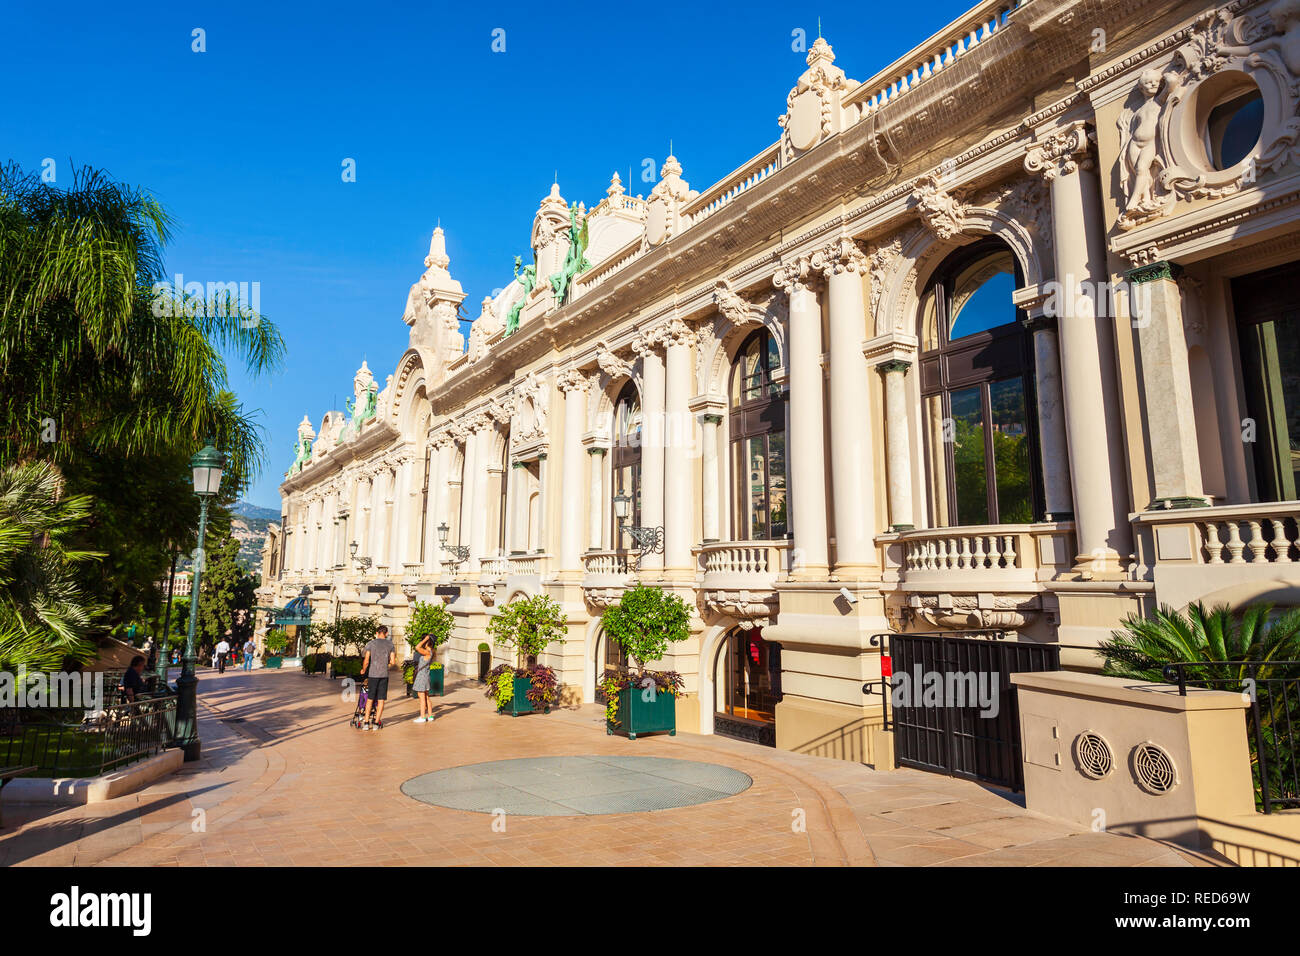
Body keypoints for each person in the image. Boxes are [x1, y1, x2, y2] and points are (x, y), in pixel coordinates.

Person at [359, 625, 396, 731]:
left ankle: (366, 723)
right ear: (386, 633)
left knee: (370, 699)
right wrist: (386, 666)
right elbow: (393, 662)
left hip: (373, 675)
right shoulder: (390, 645)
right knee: (381, 700)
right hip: (384, 675)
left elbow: (366, 660)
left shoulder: (371, 644)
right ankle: (376, 723)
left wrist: (363, 670)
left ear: (377, 633)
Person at [411, 633, 436, 724]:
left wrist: (425, 639)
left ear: (427, 643)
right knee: (426, 697)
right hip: (426, 676)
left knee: (421, 697)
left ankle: (422, 717)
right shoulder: (431, 652)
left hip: (422, 676)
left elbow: (417, 647)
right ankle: (430, 715)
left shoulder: (427, 652)